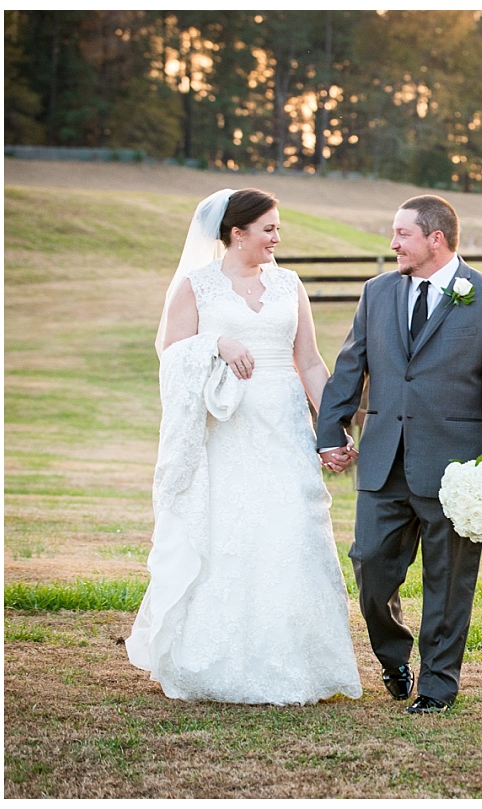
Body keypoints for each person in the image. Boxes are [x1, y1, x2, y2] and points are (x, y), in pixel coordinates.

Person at [126, 188, 362, 706]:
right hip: (226, 432)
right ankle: (214, 662)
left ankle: (297, 663)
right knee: (232, 534)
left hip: (284, 427)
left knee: (291, 531)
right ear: (238, 234)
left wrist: (333, 428)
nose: (278, 237)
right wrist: (216, 344)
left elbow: (311, 362)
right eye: (269, 229)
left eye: (277, 228)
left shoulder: (289, 284)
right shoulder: (196, 286)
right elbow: (171, 354)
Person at [316, 194, 482, 714]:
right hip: (383, 458)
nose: (392, 244)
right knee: (369, 567)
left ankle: (437, 686)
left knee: (449, 582)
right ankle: (393, 657)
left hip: (454, 467)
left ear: (436, 239)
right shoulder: (377, 292)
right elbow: (351, 366)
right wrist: (331, 429)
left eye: (402, 235)